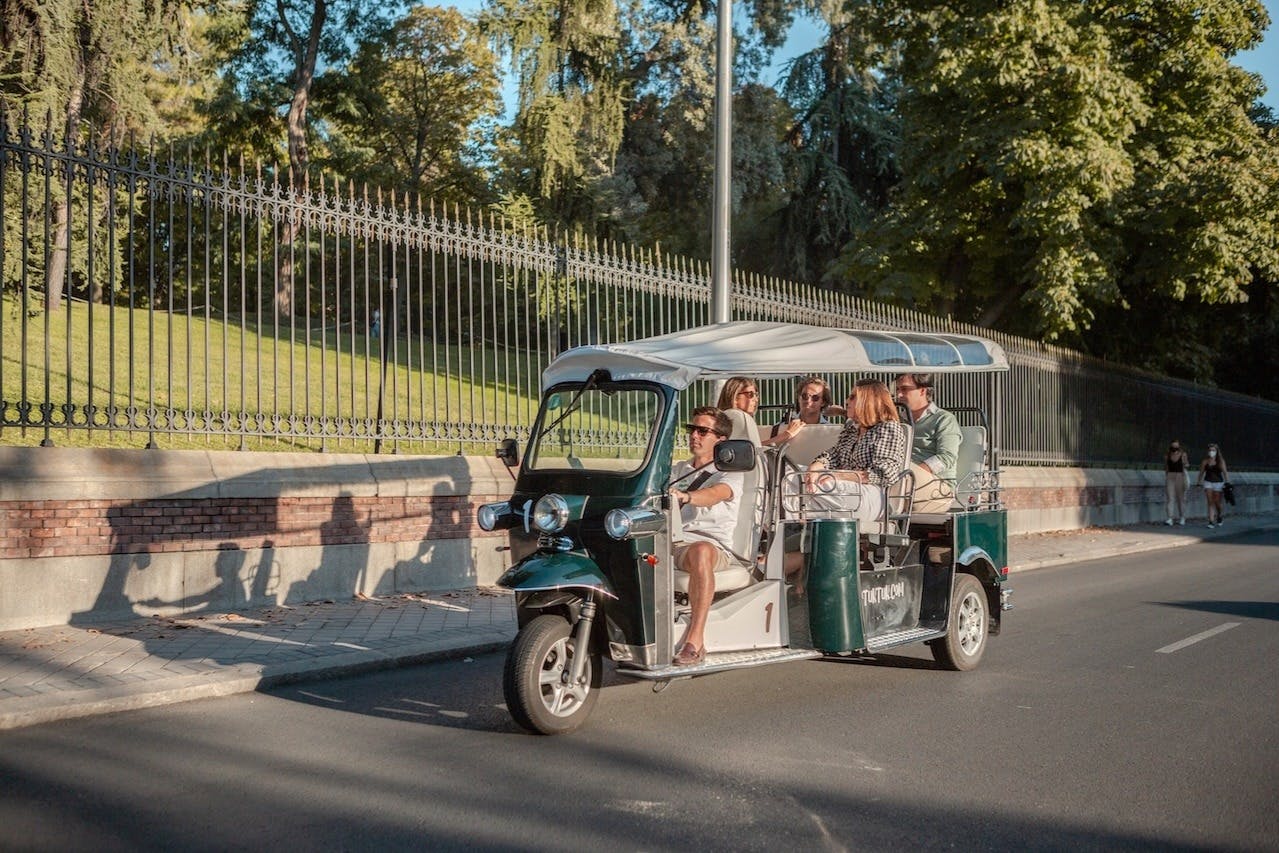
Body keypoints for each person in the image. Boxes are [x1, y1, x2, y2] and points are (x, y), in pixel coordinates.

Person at [667, 406, 743, 666]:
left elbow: (717, 493)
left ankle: (695, 639)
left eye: (702, 431)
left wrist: (687, 496)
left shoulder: (729, 472)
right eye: (691, 429)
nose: (694, 435)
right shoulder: (678, 469)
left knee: (700, 550)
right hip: (672, 542)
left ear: (720, 440)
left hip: (712, 547)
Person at [804, 379, 908, 523]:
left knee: (825, 484)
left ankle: (800, 519)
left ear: (868, 401)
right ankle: (786, 529)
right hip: (845, 490)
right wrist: (815, 466)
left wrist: (841, 476)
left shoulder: (888, 428)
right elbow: (834, 455)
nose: (847, 401)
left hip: (872, 494)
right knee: (794, 477)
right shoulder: (852, 429)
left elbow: (884, 474)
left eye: (853, 397)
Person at [895, 373, 963, 513]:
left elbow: (946, 458)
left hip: (938, 489)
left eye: (905, 389)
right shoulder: (897, 420)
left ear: (922, 390)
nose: (899, 395)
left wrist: (911, 475)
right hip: (902, 479)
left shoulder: (944, 419)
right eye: (897, 390)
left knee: (895, 471)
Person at [767, 375, 831, 447]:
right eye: (805, 396)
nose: (808, 400)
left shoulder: (831, 430)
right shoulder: (782, 427)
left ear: (823, 402)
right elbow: (762, 449)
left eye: (815, 397)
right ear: (799, 398)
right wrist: (786, 435)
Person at [1196, 443, 1230, 528]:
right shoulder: (1205, 461)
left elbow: (1225, 473)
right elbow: (1201, 472)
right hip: (1208, 482)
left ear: (1217, 451)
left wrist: (1227, 483)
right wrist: (1199, 482)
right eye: (1210, 450)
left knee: (1217, 502)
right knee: (1210, 502)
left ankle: (1219, 515)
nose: (1211, 452)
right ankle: (1211, 521)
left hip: (1218, 483)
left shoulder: (1220, 461)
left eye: (1213, 450)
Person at [1164, 440, 1190, 526]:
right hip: (1170, 476)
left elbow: (1187, 464)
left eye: (1176, 447)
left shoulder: (1183, 454)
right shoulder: (1167, 455)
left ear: (1179, 447)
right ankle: (1170, 518)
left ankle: (1182, 517)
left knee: (1181, 498)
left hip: (1180, 476)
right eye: (1173, 446)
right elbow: (1167, 467)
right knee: (1170, 498)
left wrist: (1184, 464)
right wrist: (1166, 476)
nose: (1175, 448)